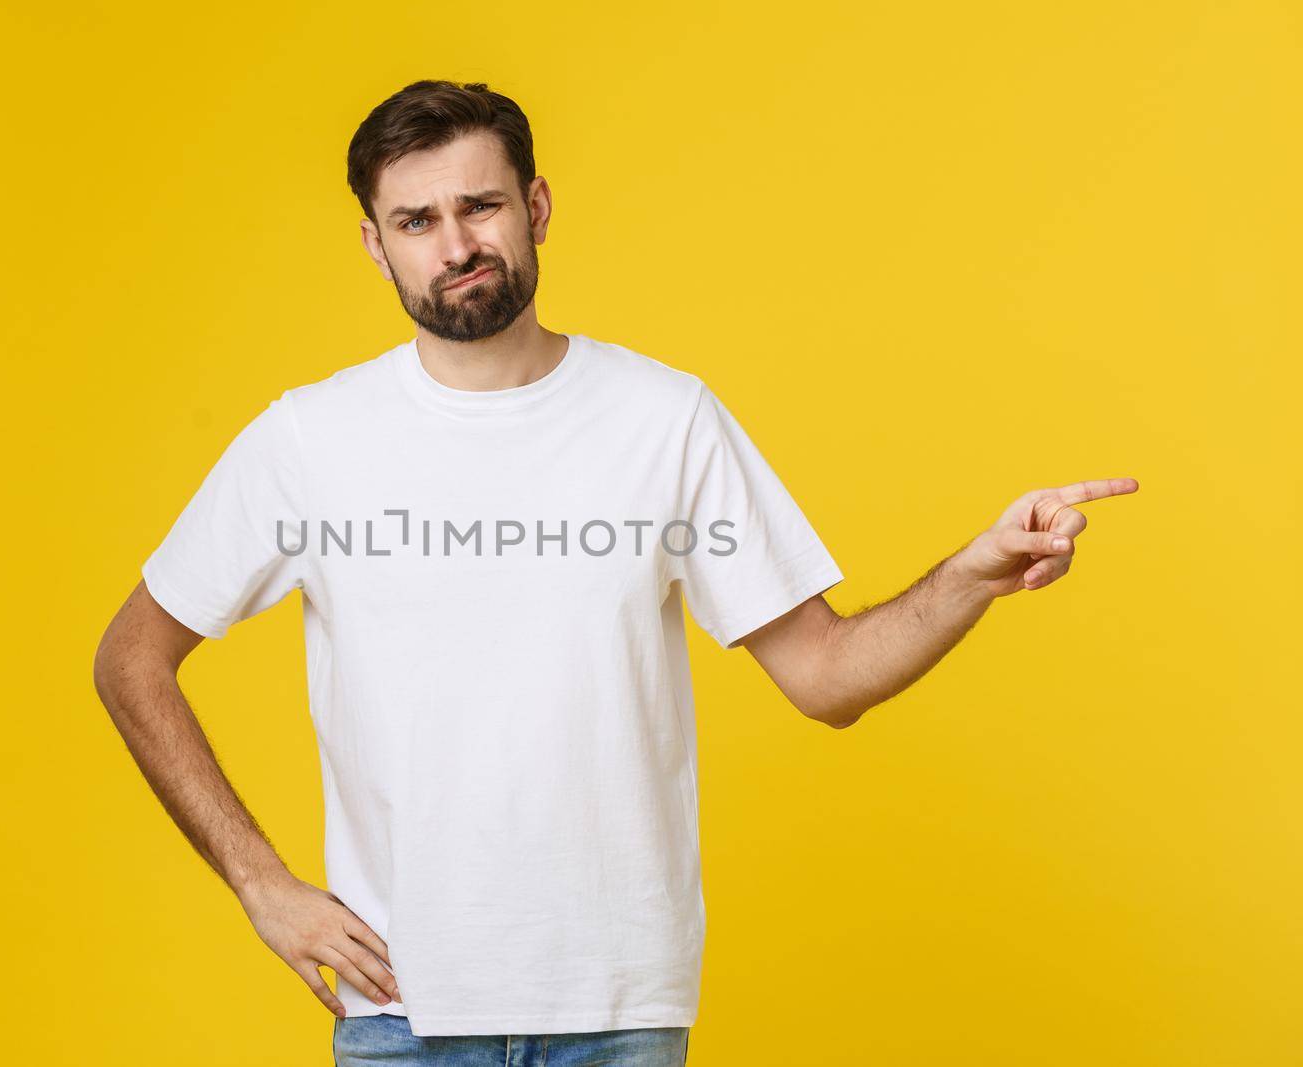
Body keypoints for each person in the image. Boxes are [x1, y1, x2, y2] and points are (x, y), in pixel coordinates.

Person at [92, 79, 1138, 1065]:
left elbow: (824, 675)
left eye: (479, 206)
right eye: (416, 222)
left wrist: (972, 571)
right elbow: (131, 658)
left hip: (618, 1012)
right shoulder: (310, 439)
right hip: (404, 1011)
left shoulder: (663, 419)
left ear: (536, 207)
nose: (455, 245)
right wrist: (261, 885)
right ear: (375, 245)